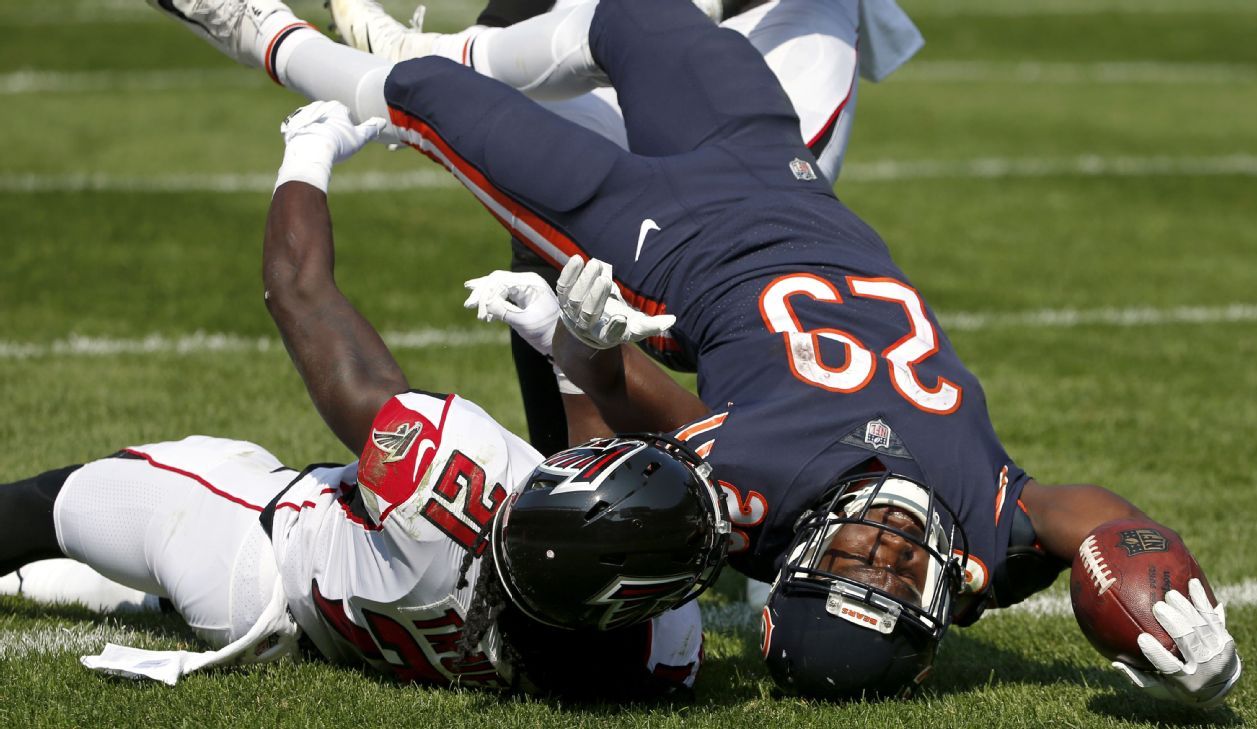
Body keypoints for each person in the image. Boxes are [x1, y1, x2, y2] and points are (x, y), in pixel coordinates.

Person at [145, 0, 1241, 705]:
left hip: (653, 235)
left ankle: (260, 35)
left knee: (429, 108)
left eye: (854, 561)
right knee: (633, 12)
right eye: (898, 573)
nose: (884, 539)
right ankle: (443, 44)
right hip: (780, 175)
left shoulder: (749, 502)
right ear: (945, 594)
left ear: (804, 569)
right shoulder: (989, 531)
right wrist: (1147, 584)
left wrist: (580, 336)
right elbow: (1082, 515)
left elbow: (636, 427)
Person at [0, 99, 730, 697]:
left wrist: (310, 147)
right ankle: (75, 584)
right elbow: (586, 533)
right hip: (325, 618)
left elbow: (298, 295)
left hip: (247, 548)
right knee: (76, 573)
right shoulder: (655, 656)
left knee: (45, 505)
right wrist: (573, 357)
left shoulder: (448, 478)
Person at [327, 0, 923, 456]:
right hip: (640, 27)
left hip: (782, 25)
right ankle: (574, 475)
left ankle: (770, 492)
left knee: (762, 237)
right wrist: (485, 44)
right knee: (549, 212)